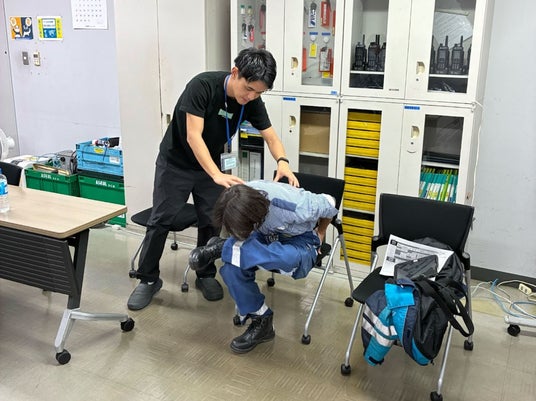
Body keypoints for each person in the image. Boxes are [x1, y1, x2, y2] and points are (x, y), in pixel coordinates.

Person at [127, 48, 298, 311]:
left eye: (258, 93)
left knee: (211, 220)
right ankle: (148, 279)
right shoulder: (202, 86)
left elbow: (271, 136)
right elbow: (193, 136)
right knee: (160, 220)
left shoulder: (251, 101)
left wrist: (283, 161)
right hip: (176, 164)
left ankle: (205, 273)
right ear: (235, 72)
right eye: (249, 89)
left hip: (211, 167)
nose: (251, 97)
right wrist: (216, 174)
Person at [188, 180, 338, 353]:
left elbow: (330, 202)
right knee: (232, 269)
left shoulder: (297, 205)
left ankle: (226, 248)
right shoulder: (241, 195)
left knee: (287, 258)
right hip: (264, 235)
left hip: (300, 240)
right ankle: (261, 320)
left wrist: (321, 232)